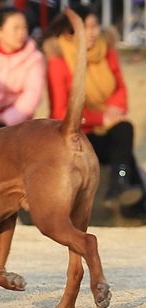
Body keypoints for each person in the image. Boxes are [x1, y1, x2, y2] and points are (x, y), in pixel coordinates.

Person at [43, 4, 146, 218]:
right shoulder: (59, 60)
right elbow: (60, 113)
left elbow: (119, 88)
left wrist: (114, 112)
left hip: (107, 127)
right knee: (126, 154)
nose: (92, 32)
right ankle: (133, 204)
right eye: (86, 27)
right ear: (70, 33)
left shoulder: (105, 49)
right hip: (76, 134)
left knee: (124, 129)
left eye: (94, 25)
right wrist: (100, 118)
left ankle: (119, 185)